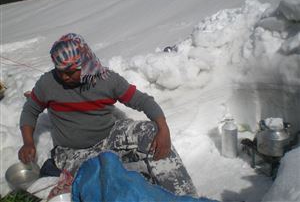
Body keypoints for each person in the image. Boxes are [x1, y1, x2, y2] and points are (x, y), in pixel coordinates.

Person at [18, 33, 197, 196]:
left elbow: (143, 101)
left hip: (109, 136)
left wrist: (163, 128)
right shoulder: (48, 84)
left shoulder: (106, 80)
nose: (64, 77)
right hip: (72, 152)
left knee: (151, 132)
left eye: (70, 72)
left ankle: (186, 197)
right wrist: (28, 142)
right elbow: (30, 110)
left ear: (86, 63)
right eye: (60, 71)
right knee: (99, 178)